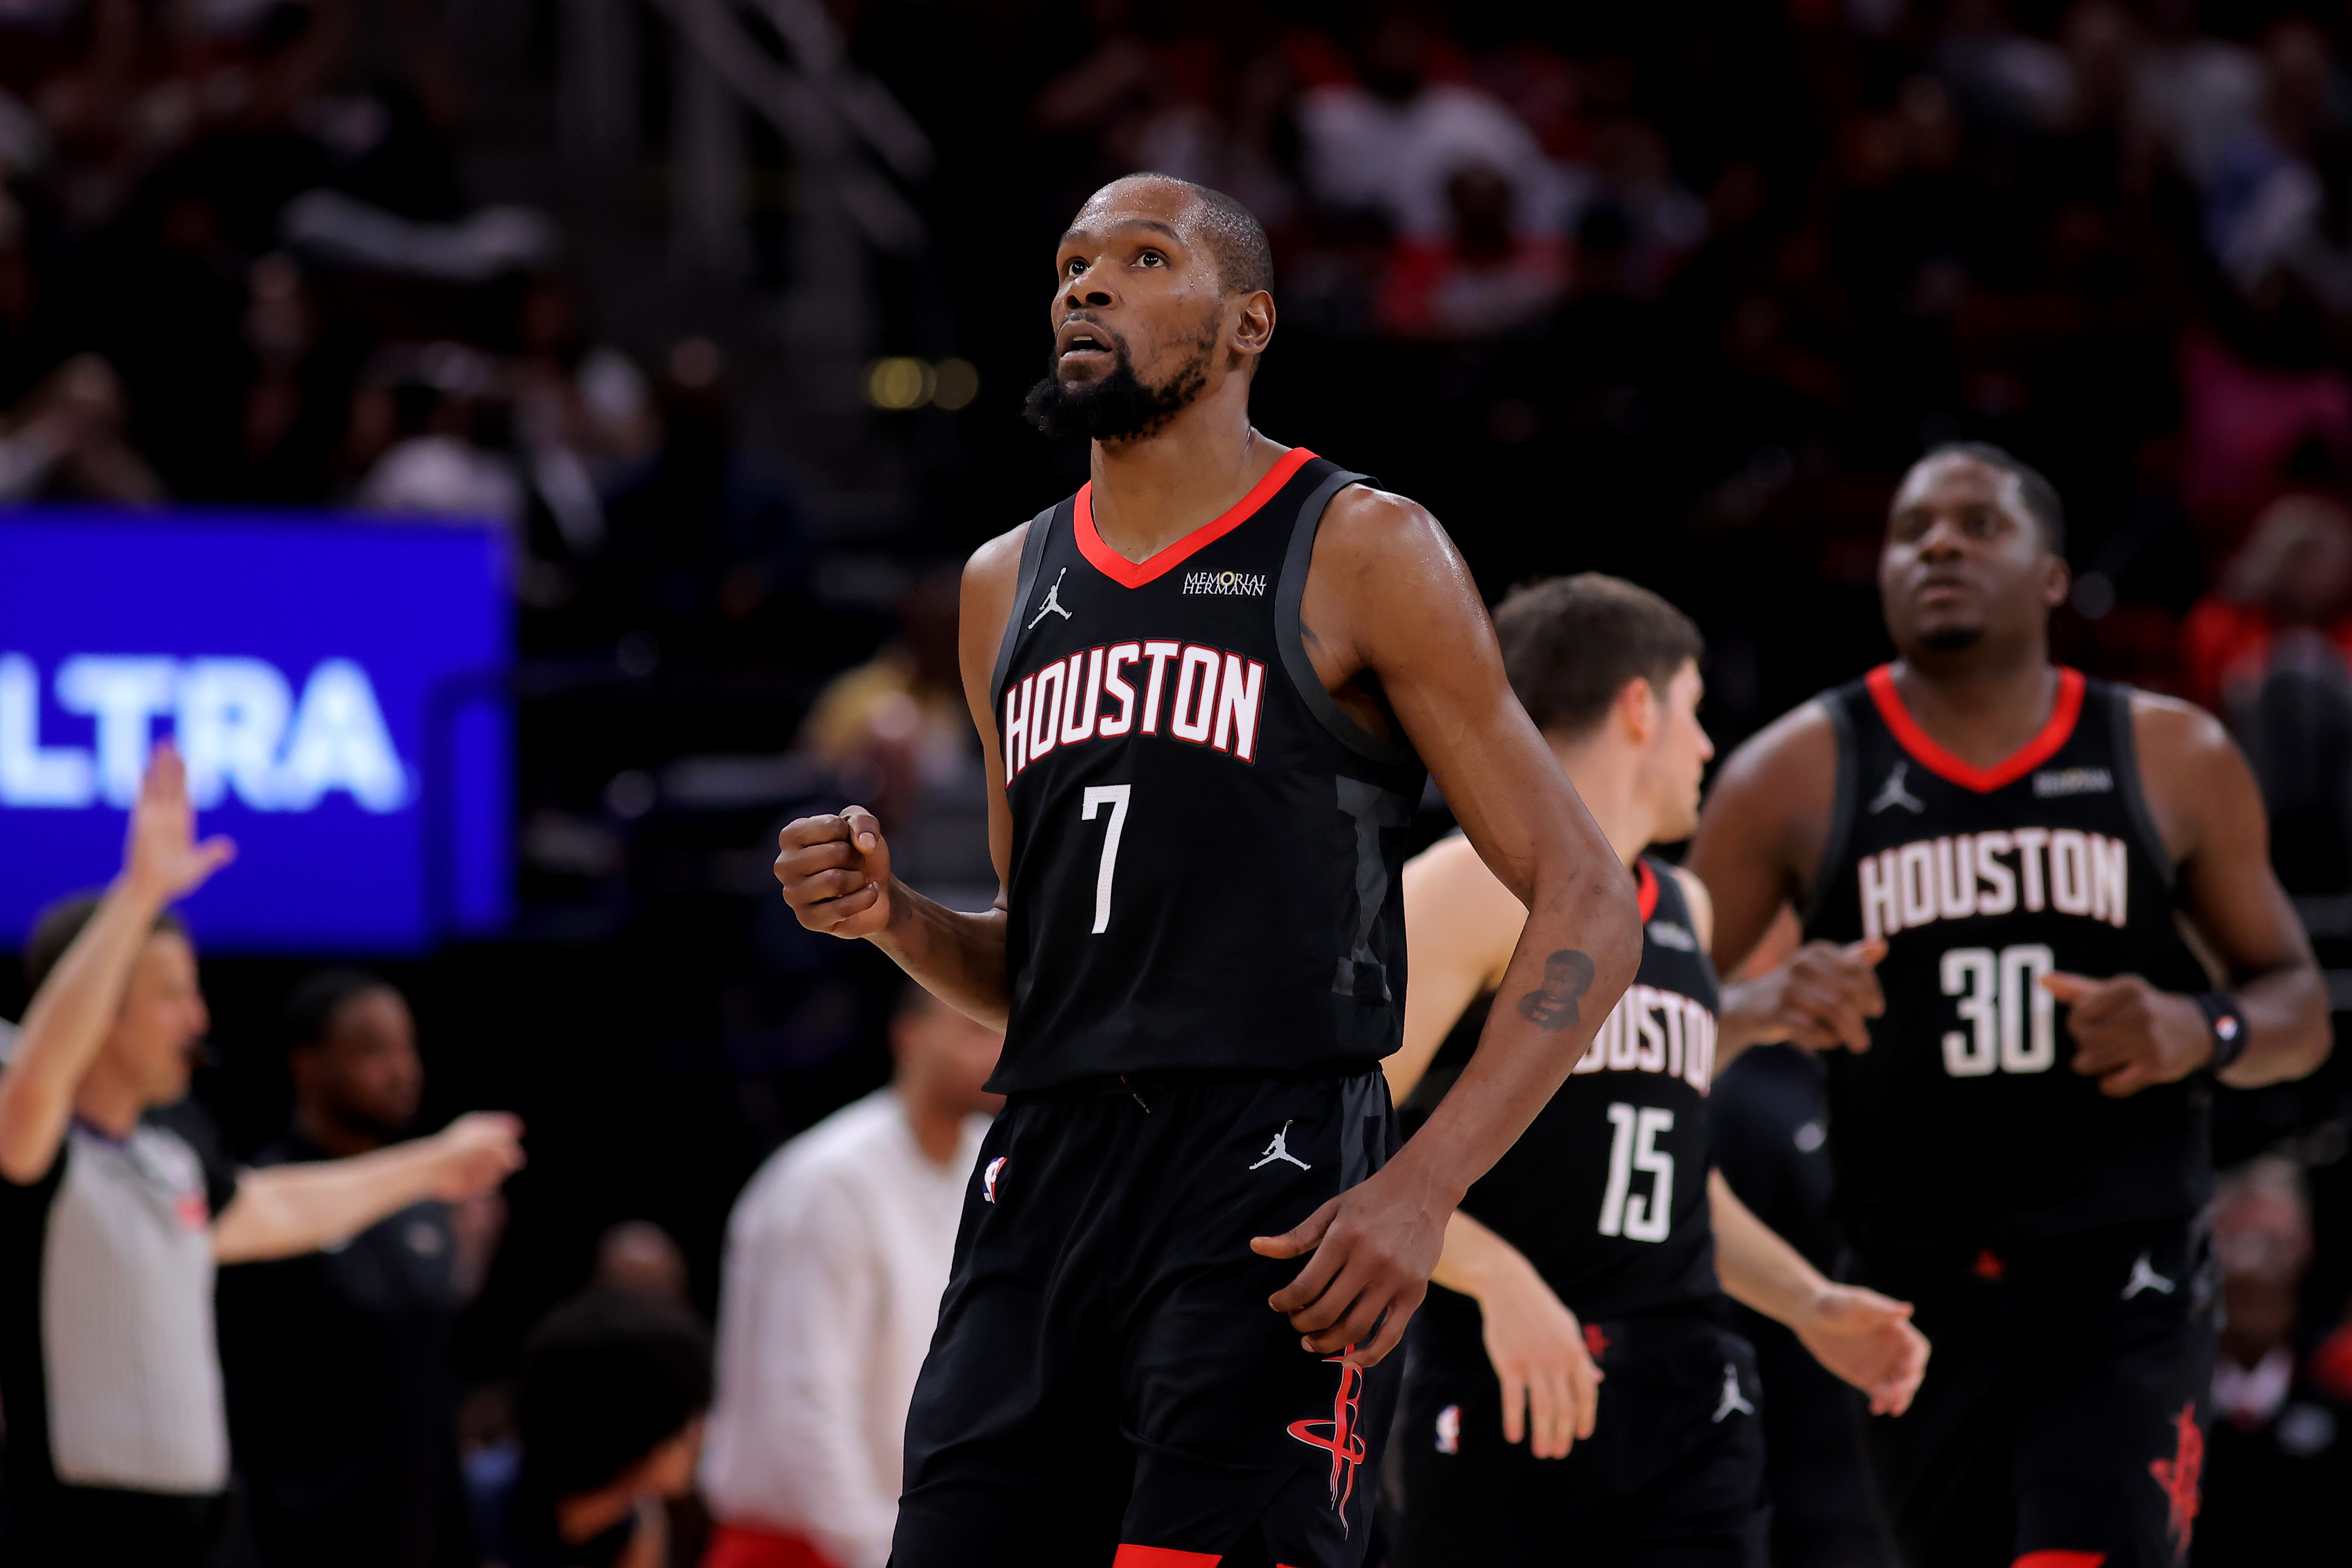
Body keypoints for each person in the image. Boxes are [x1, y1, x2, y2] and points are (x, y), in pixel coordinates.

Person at [774, 172, 1643, 1568]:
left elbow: (1592, 902)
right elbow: (1037, 969)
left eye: (1140, 256)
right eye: (1068, 263)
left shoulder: (1360, 546)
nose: (1084, 283)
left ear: (1247, 324)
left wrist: (1419, 1190)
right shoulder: (1003, 582)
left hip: (1269, 1165)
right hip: (1046, 1163)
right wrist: (891, 917)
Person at [1686, 443, 2333, 1568]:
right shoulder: (1791, 774)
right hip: (1911, 1283)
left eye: (1980, 525)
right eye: (1912, 530)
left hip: (2121, 1278)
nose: (1939, 543)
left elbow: (2298, 1008)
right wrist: (1759, 1004)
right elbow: (1653, 1023)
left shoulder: (2170, 754)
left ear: (2050, 578)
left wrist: (2202, 1028)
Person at [1384, 575, 1926, 1565]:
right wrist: (1498, 1275)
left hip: (1687, 1386)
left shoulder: (1685, 906)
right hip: (1508, 1373)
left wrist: (1807, 1301)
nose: (1709, 747)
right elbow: (1338, 1149)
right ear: (1641, 704)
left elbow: (1672, 1174)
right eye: (1697, 710)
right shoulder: (1469, 883)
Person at [0, 744, 526, 1568]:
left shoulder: (168, 1154)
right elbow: (33, 1089)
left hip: (199, 1525)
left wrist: (430, 1164)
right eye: (170, 995)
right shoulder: (34, 1142)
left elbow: (273, 1208)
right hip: (78, 1525)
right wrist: (138, 895)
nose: (195, 1018)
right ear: (98, 1006)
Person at [699, 985, 1002, 1568]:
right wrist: (876, 1551)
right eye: (975, 1029)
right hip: (804, 1547)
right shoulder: (830, 1181)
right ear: (909, 1036)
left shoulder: (988, 1168)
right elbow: (806, 1400)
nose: (997, 1049)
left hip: (926, 1534)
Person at [217, 969, 491, 1568]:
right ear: (307, 1065)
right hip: (300, 1540)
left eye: (407, 1047)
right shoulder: (269, 1203)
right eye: (373, 1049)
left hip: (421, 1536)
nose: (403, 1070)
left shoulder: (425, 1197)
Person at [2193, 1157, 2352, 1563]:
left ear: (2308, 1250)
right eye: (2238, 1242)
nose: (2254, 1270)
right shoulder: (2161, 1407)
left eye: (2274, 1244)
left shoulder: (2340, 1393)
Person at [503, 1288, 712, 1568]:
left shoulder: (637, 1522)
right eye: (688, 1421)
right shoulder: (479, 1512)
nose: (703, 1435)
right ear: (637, 1434)